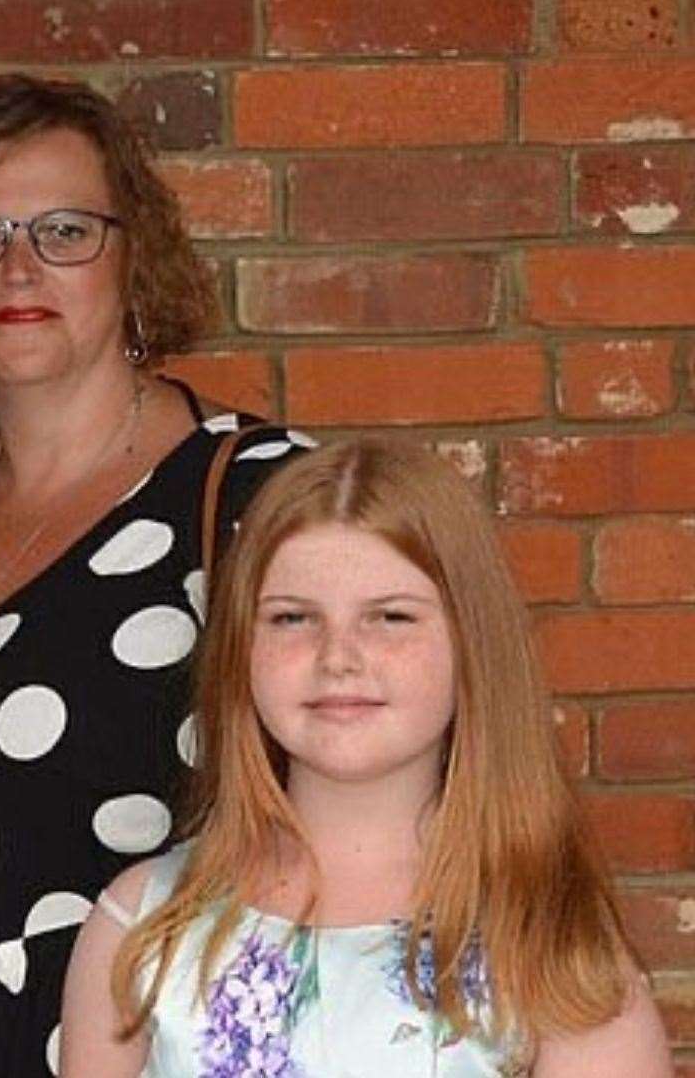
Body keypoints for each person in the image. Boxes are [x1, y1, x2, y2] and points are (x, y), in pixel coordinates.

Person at [0, 74, 311, 1075]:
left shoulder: (258, 500)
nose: (20, 267)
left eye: (67, 231)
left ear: (136, 260)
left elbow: (385, 818)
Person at [58, 439, 673, 1076]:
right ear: (240, 648)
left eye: (391, 618)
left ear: (472, 642)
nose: (339, 656)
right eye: (294, 618)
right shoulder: (143, 927)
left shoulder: (546, 942)